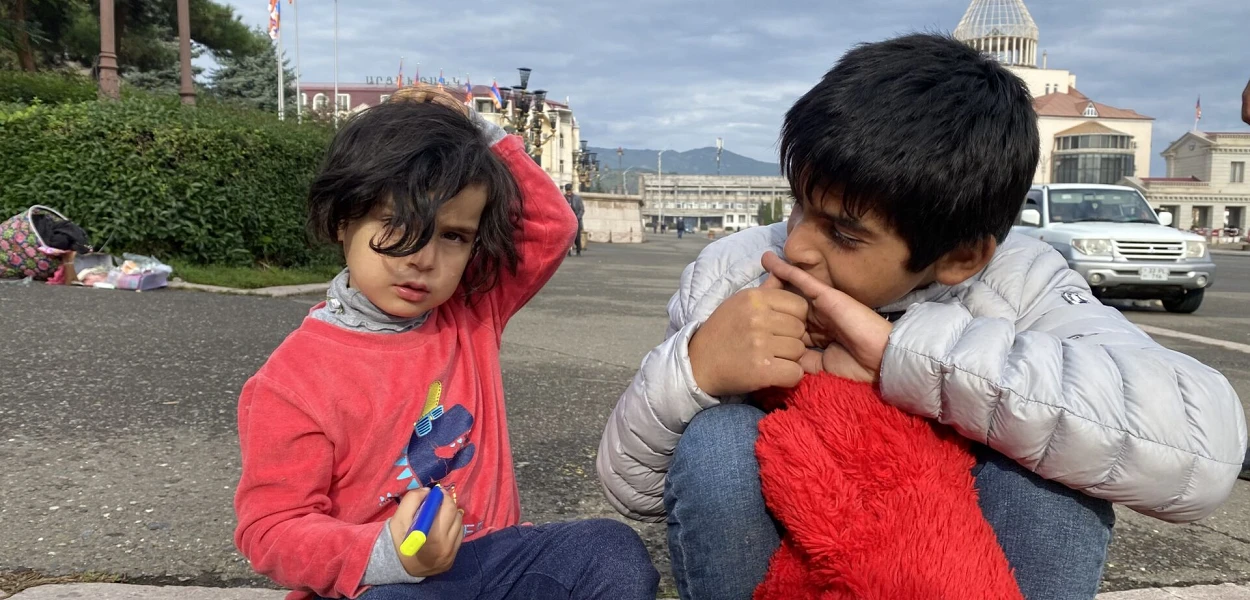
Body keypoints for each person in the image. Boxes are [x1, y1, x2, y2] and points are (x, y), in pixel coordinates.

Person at [596, 33, 1246, 600]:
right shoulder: (734, 268)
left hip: (958, 561)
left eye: (844, 234)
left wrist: (905, 355)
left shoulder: (1020, 278)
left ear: (961, 257)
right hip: (789, 561)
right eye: (800, 204)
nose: (795, 247)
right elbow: (638, 493)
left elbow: (1207, 451)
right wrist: (693, 370)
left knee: (1054, 467)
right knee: (717, 441)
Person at [234, 86, 658, 600]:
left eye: (453, 235)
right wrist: (391, 552)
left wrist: (476, 131)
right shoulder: (291, 381)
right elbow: (271, 529)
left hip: (498, 562)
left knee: (609, 549)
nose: (423, 257)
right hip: (382, 585)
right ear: (343, 220)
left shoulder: (472, 311)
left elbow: (551, 226)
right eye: (396, 223)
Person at [563, 184, 585, 257]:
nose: (568, 192)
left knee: (577, 236)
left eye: (569, 190)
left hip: (576, 219)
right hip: (567, 220)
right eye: (567, 190)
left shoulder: (577, 198)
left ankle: (578, 250)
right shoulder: (563, 198)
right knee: (567, 236)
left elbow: (582, 209)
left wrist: (577, 217)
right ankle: (568, 250)